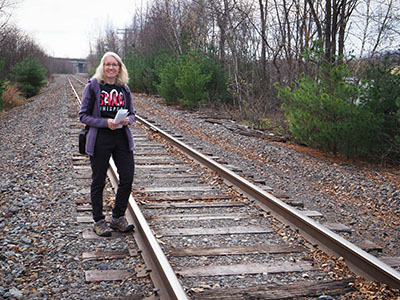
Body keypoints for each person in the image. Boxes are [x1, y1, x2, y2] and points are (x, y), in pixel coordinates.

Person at [79, 51, 135, 237]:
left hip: (121, 138)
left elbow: (133, 114)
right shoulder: (94, 85)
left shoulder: (124, 88)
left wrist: (128, 120)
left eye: (115, 64)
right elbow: (83, 115)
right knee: (98, 180)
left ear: (120, 68)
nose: (111, 67)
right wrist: (105, 123)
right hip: (100, 138)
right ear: (102, 67)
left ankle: (118, 217)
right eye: (107, 64)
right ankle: (98, 220)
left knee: (127, 177)